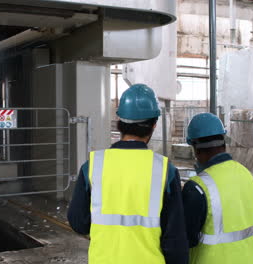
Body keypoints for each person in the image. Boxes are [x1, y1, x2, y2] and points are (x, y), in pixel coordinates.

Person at [67, 84, 189, 264]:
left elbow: (78, 223)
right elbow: (175, 240)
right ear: (154, 125)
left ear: (119, 122)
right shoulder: (165, 171)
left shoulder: (92, 166)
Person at [182, 113, 253, 264]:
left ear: (196, 149)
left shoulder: (197, 188)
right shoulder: (247, 175)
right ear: (223, 143)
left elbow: (185, 240)